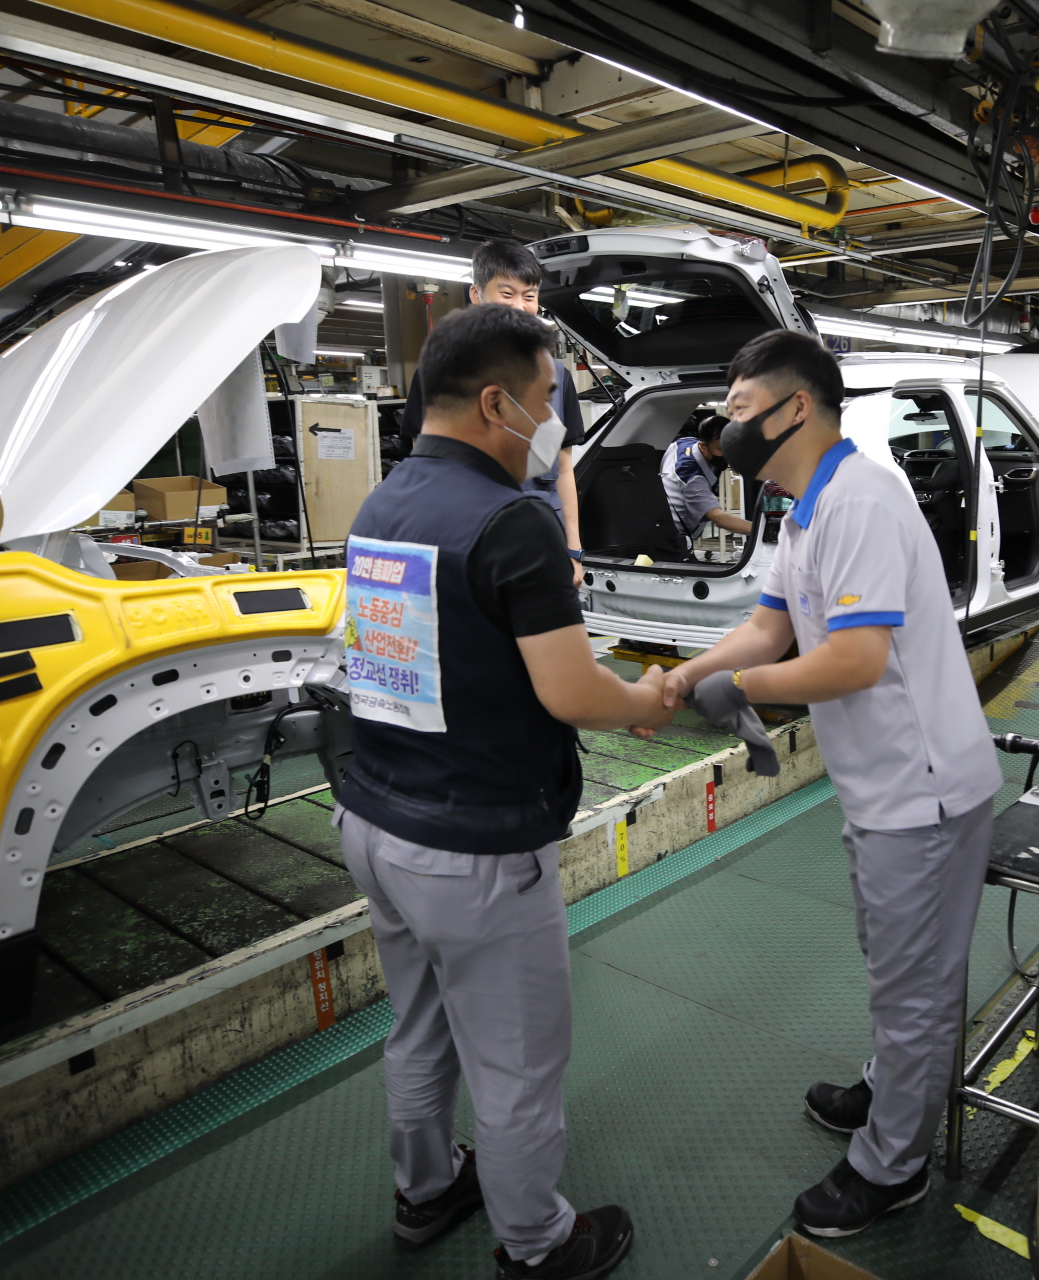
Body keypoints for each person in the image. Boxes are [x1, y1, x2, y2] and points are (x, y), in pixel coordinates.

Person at [342, 303, 665, 1280]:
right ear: (495, 403)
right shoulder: (514, 521)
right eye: (546, 397)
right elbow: (572, 691)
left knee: (419, 1026)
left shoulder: (381, 504)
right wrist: (646, 697)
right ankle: (538, 1243)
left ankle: (426, 1188)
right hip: (474, 848)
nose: (553, 419)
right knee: (518, 1064)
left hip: (376, 819)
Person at [662, 330, 999, 1238]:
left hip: (923, 793)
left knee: (913, 983)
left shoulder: (862, 502)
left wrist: (742, 688)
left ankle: (894, 1168)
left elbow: (853, 659)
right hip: (882, 788)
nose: (728, 429)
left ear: (795, 408)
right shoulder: (805, 509)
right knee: (894, 961)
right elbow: (768, 628)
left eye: (740, 410)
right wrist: (687, 676)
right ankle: (892, 1089)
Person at [401, 239, 589, 585]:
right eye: (507, 293)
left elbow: (563, 470)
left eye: (529, 296)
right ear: (476, 294)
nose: (519, 306)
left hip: (540, 543)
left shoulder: (558, 379)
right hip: (467, 543)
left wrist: (573, 550)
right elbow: (425, 473)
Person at [661, 411, 751, 544]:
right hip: (672, 539)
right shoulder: (693, 478)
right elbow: (719, 518)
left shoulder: (684, 443)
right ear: (703, 447)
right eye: (721, 449)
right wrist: (762, 530)